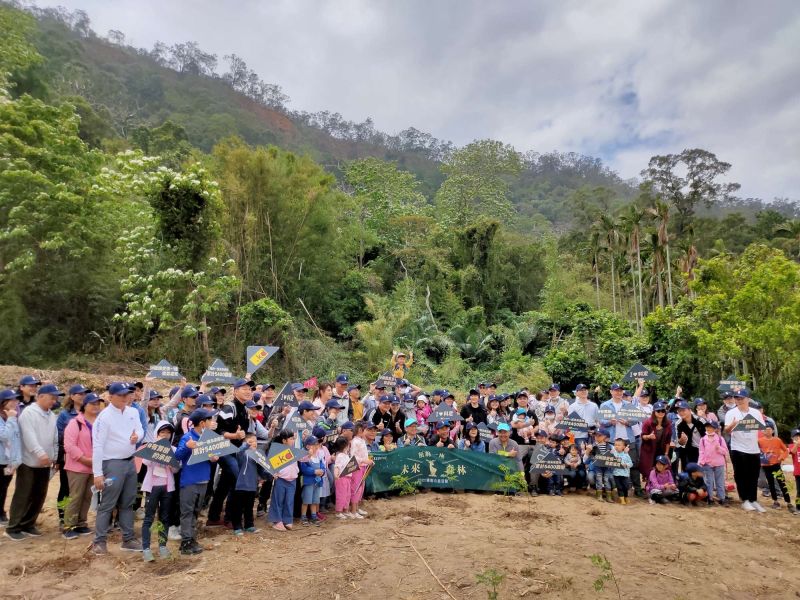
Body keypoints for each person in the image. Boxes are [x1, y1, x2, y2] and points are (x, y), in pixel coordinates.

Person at [90, 382, 144, 554]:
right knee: (107, 503)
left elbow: (140, 430)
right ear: (110, 396)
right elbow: (97, 446)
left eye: (127, 394)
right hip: (112, 463)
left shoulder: (133, 412)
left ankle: (128, 539)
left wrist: (138, 436)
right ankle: (100, 541)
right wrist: (97, 473)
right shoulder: (104, 417)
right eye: (120, 395)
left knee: (128, 502)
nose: (124, 398)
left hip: (130, 461)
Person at [5, 383, 61, 541]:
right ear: (41, 396)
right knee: (23, 494)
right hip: (29, 462)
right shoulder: (29, 413)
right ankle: (13, 527)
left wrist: (54, 455)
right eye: (52, 397)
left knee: (39, 494)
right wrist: (40, 452)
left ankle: (29, 523)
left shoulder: (51, 415)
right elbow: (29, 436)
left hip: (45, 462)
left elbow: (54, 437)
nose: (54, 401)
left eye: (55, 398)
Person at [207, 378, 253, 527]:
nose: (248, 391)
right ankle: (232, 519)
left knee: (225, 483)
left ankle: (214, 517)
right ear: (235, 391)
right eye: (244, 388)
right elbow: (218, 431)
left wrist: (248, 440)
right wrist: (234, 436)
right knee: (237, 480)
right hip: (224, 450)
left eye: (250, 389)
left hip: (237, 451)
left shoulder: (245, 409)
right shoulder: (229, 407)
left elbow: (246, 433)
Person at [174, 408, 218, 554]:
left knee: (195, 511)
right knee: (187, 511)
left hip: (203, 479)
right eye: (209, 420)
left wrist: (213, 459)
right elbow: (178, 456)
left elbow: (211, 457)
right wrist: (187, 447)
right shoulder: (188, 437)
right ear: (202, 423)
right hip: (190, 480)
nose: (212, 422)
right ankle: (186, 542)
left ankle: (191, 538)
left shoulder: (208, 438)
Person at [62, 392, 103, 539]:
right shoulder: (76, 423)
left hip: (94, 466)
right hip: (77, 467)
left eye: (98, 403)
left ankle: (81, 523)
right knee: (76, 496)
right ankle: (69, 526)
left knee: (87, 496)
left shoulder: (100, 422)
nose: (96, 406)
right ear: (85, 405)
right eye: (92, 403)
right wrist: (83, 459)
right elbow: (69, 445)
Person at [723, 389, 767, 512]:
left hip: (753, 448)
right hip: (738, 448)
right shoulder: (731, 413)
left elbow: (762, 428)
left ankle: (753, 499)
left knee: (754, 474)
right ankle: (745, 499)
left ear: (748, 399)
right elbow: (726, 431)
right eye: (737, 398)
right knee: (741, 474)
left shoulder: (755, 412)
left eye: (741, 398)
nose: (739, 400)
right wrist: (733, 424)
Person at [141, 421, 178, 561]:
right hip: (152, 487)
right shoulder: (151, 447)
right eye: (162, 433)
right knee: (149, 517)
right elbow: (146, 462)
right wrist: (157, 450)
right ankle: (146, 548)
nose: (165, 435)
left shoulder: (173, 449)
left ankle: (163, 546)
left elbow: (175, 469)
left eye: (168, 433)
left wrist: (170, 462)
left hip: (167, 487)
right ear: (157, 434)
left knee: (165, 517)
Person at [599, 383, 642, 497]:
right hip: (613, 440)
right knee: (612, 466)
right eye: (616, 390)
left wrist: (628, 422)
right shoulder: (605, 405)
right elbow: (601, 420)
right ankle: (613, 490)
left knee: (632, 465)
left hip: (628, 439)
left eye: (620, 390)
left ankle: (637, 489)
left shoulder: (628, 404)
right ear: (611, 391)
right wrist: (609, 422)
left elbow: (636, 419)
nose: (618, 392)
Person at [56, 384, 89, 527]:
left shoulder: (89, 413)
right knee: (66, 488)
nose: (82, 396)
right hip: (68, 457)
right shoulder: (65, 414)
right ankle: (64, 517)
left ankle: (78, 521)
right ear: (72, 396)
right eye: (79, 394)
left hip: (87, 459)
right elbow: (59, 437)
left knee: (85, 492)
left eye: (84, 394)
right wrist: (58, 458)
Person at [230, 432, 269, 536]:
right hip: (241, 485)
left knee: (249, 506)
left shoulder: (257, 455)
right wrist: (246, 445)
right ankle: (237, 526)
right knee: (238, 507)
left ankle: (249, 525)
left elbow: (262, 470)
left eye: (255, 441)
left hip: (252, 486)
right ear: (245, 442)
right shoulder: (242, 453)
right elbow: (239, 452)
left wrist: (269, 475)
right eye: (251, 441)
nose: (254, 443)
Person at [758, 424, 794, 513]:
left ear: (773, 431)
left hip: (776, 465)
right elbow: (755, 451)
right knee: (771, 484)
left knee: (782, 483)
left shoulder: (777, 440)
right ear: (763, 431)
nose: (767, 431)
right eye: (766, 429)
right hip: (766, 466)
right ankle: (775, 501)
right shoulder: (759, 441)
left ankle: (789, 502)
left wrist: (781, 458)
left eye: (769, 429)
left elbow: (786, 450)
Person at [269, 430, 299, 531]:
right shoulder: (277, 450)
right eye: (291, 439)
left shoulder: (295, 450)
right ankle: (277, 521)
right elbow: (271, 464)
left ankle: (287, 520)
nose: (293, 440)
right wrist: (274, 473)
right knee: (278, 500)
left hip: (292, 479)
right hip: (281, 479)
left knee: (289, 501)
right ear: (284, 440)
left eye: (293, 438)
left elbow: (303, 458)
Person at [0, 389, 22, 525]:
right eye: (12, 400)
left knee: (4, 487)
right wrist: (12, 419)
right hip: (0, 461)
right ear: (3, 402)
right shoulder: (10, 417)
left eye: (16, 400)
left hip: (9, 461)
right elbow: (4, 436)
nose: (15, 402)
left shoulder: (13, 415)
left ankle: (1, 512)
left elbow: (16, 438)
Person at [638, 401, 673, 484]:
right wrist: (649, 436)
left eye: (663, 411)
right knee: (648, 469)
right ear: (654, 412)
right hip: (648, 450)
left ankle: (659, 487)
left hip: (661, 449)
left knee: (662, 467)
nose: (661, 413)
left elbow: (668, 440)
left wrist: (666, 453)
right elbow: (643, 436)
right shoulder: (648, 422)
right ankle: (649, 487)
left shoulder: (668, 423)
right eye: (658, 411)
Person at [698, 420, 729, 506]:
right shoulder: (703, 440)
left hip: (719, 463)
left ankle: (722, 498)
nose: (708, 428)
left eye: (711, 427)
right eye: (707, 427)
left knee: (720, 481)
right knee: (709, 481)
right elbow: (701, 452)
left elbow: (725, 451)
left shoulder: (720, 439)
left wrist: (719, 448)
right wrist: (700, 462)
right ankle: (710, 498)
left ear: (715, 429)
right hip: (707, 464)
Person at [348, 422, 373, 520]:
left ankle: (357, 508)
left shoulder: (362, 440)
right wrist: (364, 460)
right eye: (366, 429)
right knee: (356, 488)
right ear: (360, 430)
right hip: (357, 467)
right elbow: (353, 456)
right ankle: (353, 511)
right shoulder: (355, 441)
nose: (367, 431)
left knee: (361, 488)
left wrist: (367, 461)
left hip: (363, 466)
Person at [585, 428, 614, 502]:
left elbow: (615, 457)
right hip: (597, 467)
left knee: (607, 479)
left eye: (599, 435)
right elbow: (585, 461)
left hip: (607, 468)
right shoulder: (592, 447)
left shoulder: (611, 447)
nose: (596, 437)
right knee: (599, 480)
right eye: (595, 435)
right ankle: (599, 495)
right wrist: (587, 451)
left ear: (605, 438)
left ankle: (609, 496)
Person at [675, 400, 704, 472]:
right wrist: (681, 440)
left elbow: (707, 437)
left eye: (683, 410)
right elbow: (680, 443)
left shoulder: (700, 421)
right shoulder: (678, 424)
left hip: (701, 450)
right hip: (687, 451)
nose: (681, 412)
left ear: (689, 410)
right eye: (679, 411)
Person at [569, 384, 598, 451]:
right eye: (581, 390)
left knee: (593, 456)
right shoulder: (572, 407)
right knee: (582, 455)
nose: (584, 391)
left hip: (593, 435)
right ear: (576, 393)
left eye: (585, 390)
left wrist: (595, 430)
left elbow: (597, 421)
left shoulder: (594, 405)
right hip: (579, 436)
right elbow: (571, 423)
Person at [332, 437, 353, 520]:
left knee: (347, 495)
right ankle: (339, 512)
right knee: (341, 495)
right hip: (341, 478)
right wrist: (336, 474)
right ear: (345, 446)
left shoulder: (346, 455)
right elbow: (337, 466)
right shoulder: (340, 455)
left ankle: (345, 510)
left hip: (348, 478)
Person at [611, 438, 634, 504]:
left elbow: (631, 464)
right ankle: (621, 499)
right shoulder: (613, 454)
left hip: (625, 474)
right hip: (616, 474)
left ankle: (626, 497)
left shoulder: (626, 454)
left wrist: (626, 465)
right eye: (615, 445)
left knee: (625, 486)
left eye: (619, 445)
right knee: (619, 487)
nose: (617, 446)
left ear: (623, 447)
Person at [788, 429, 800, 516]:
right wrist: (797, 443)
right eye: (796, 436)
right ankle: (798, 507)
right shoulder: (792, 445)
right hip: (798, 472)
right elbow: (793, 452)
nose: (798, 437)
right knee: (799, 491)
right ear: (792, 438)